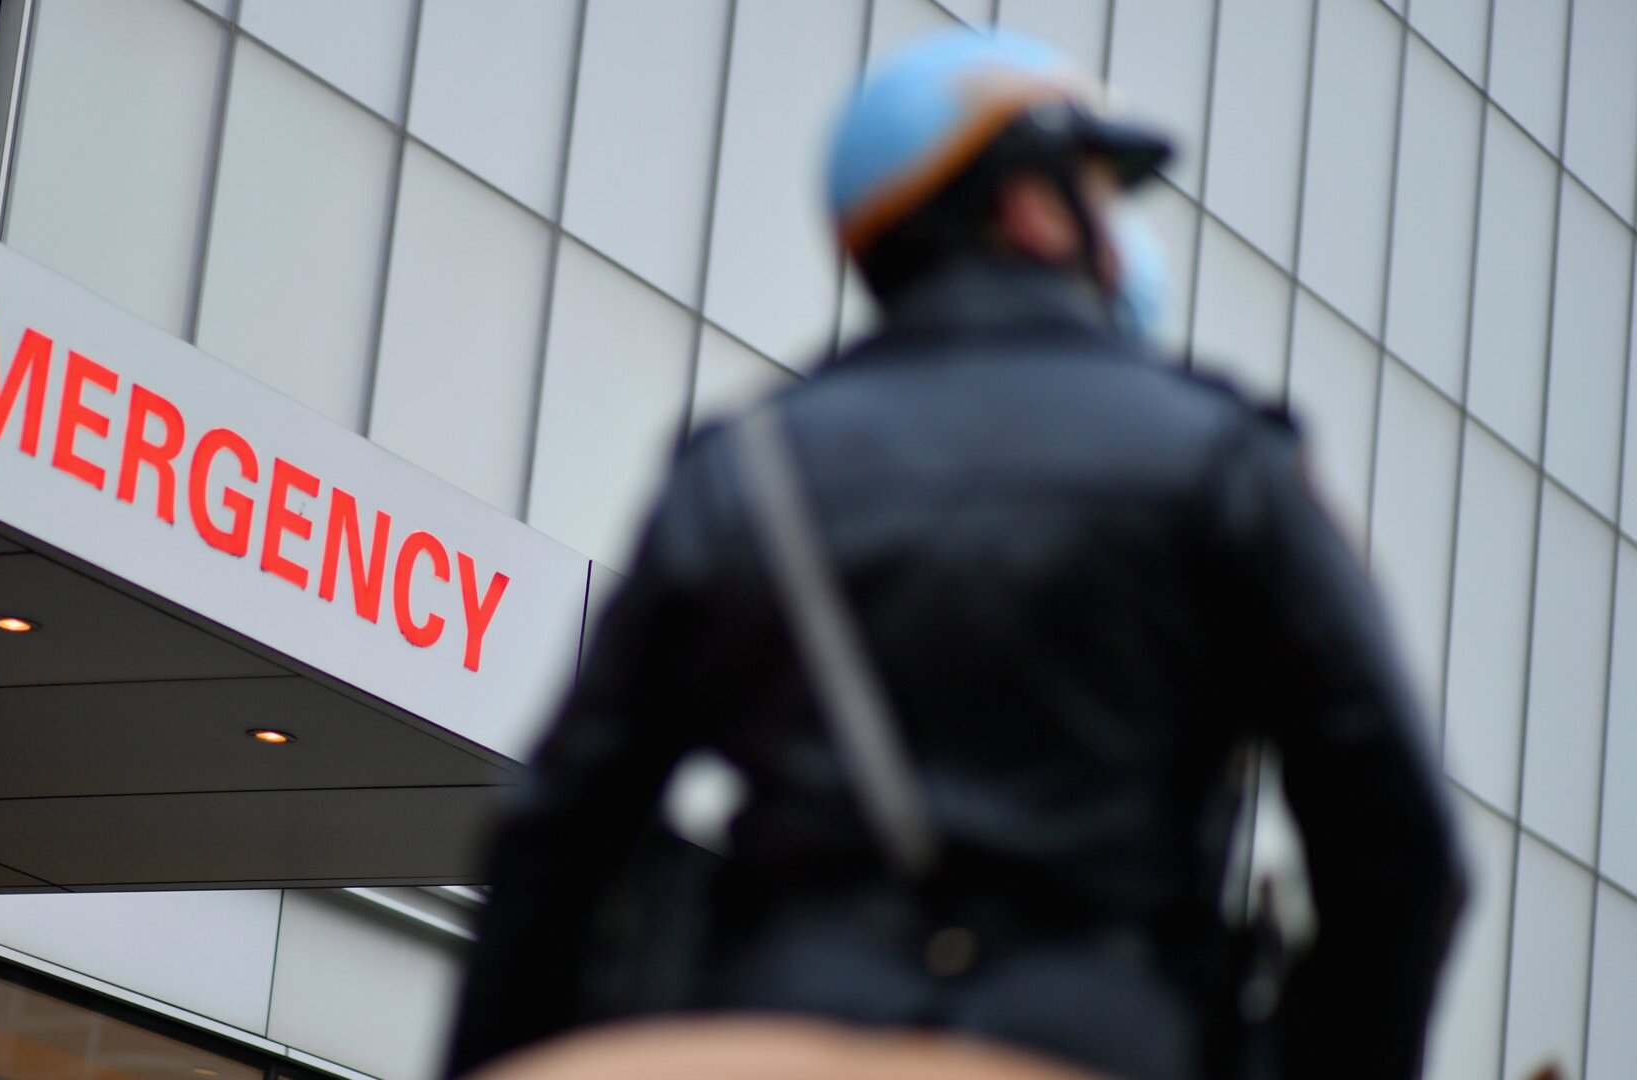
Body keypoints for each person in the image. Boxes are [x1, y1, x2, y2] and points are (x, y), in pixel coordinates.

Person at [443, 29, 1465, 1080]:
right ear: (1027, 205)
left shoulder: (743, 467)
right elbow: (1402, 852)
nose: (1116, 229)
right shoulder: (1223, 461)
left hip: (778, 1032)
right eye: (1098, 190)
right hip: (1093, 1039)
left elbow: (557, 837)